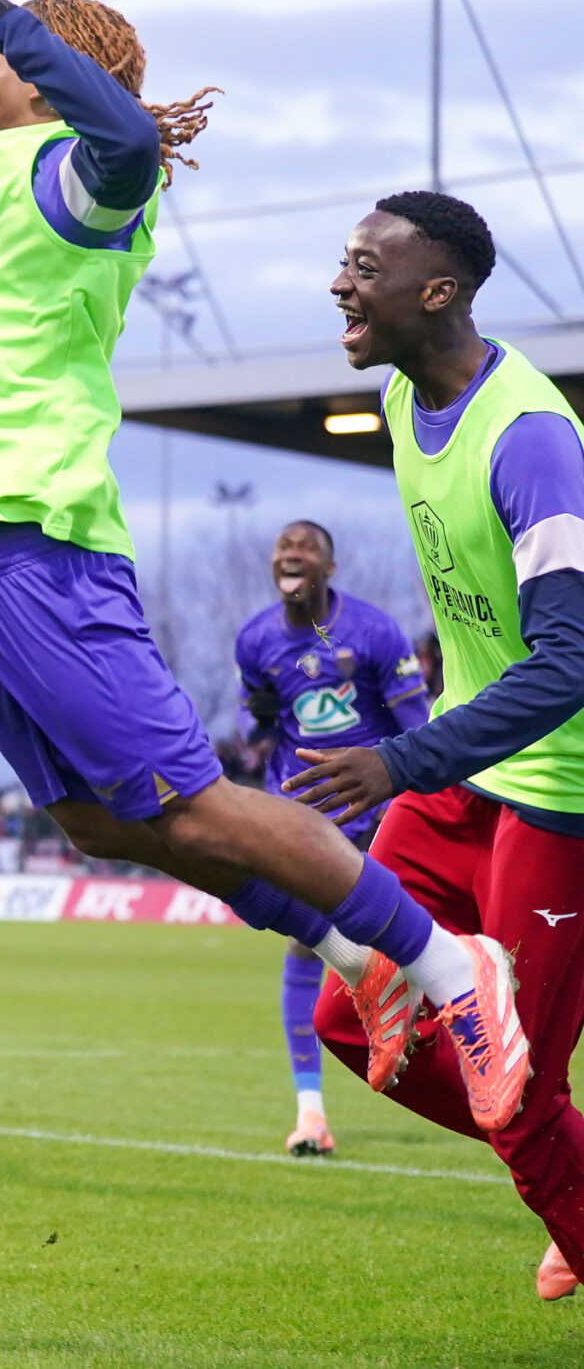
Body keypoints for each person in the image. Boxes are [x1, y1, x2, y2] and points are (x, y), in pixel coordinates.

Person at [0, 0, 525, 1129]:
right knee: (91, 822)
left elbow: (111, 118)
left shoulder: (78, 184)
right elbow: (67, 57)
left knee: (198, 802)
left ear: (30, 81)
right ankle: (351, 955)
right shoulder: (15, 161)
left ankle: (456, 970)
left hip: (39, 549)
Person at [296, 191, 584, 1301]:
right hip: (462, 785)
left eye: (364, 265)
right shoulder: (403, 405)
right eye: (342, 260)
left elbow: (566, 664)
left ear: (438, 291)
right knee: (343, 1014)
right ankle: (561, 1171)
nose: (339, 282)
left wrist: (399, 759)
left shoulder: (531, 442)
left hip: (558, 793)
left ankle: (554, 1167)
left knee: (513, 1087)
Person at [233, 519, 431, 1156]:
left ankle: (466, 1069)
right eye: (283, 546)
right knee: (301, 944)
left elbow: (416, 725)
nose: (291, 554)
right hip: (300, 818)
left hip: (375, 816)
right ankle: (310, 1114)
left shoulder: (374, 633)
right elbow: (254, 720)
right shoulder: (255, 639)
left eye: (305, 548)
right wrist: (255, 723)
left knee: (416, 946)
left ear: (328, 569)